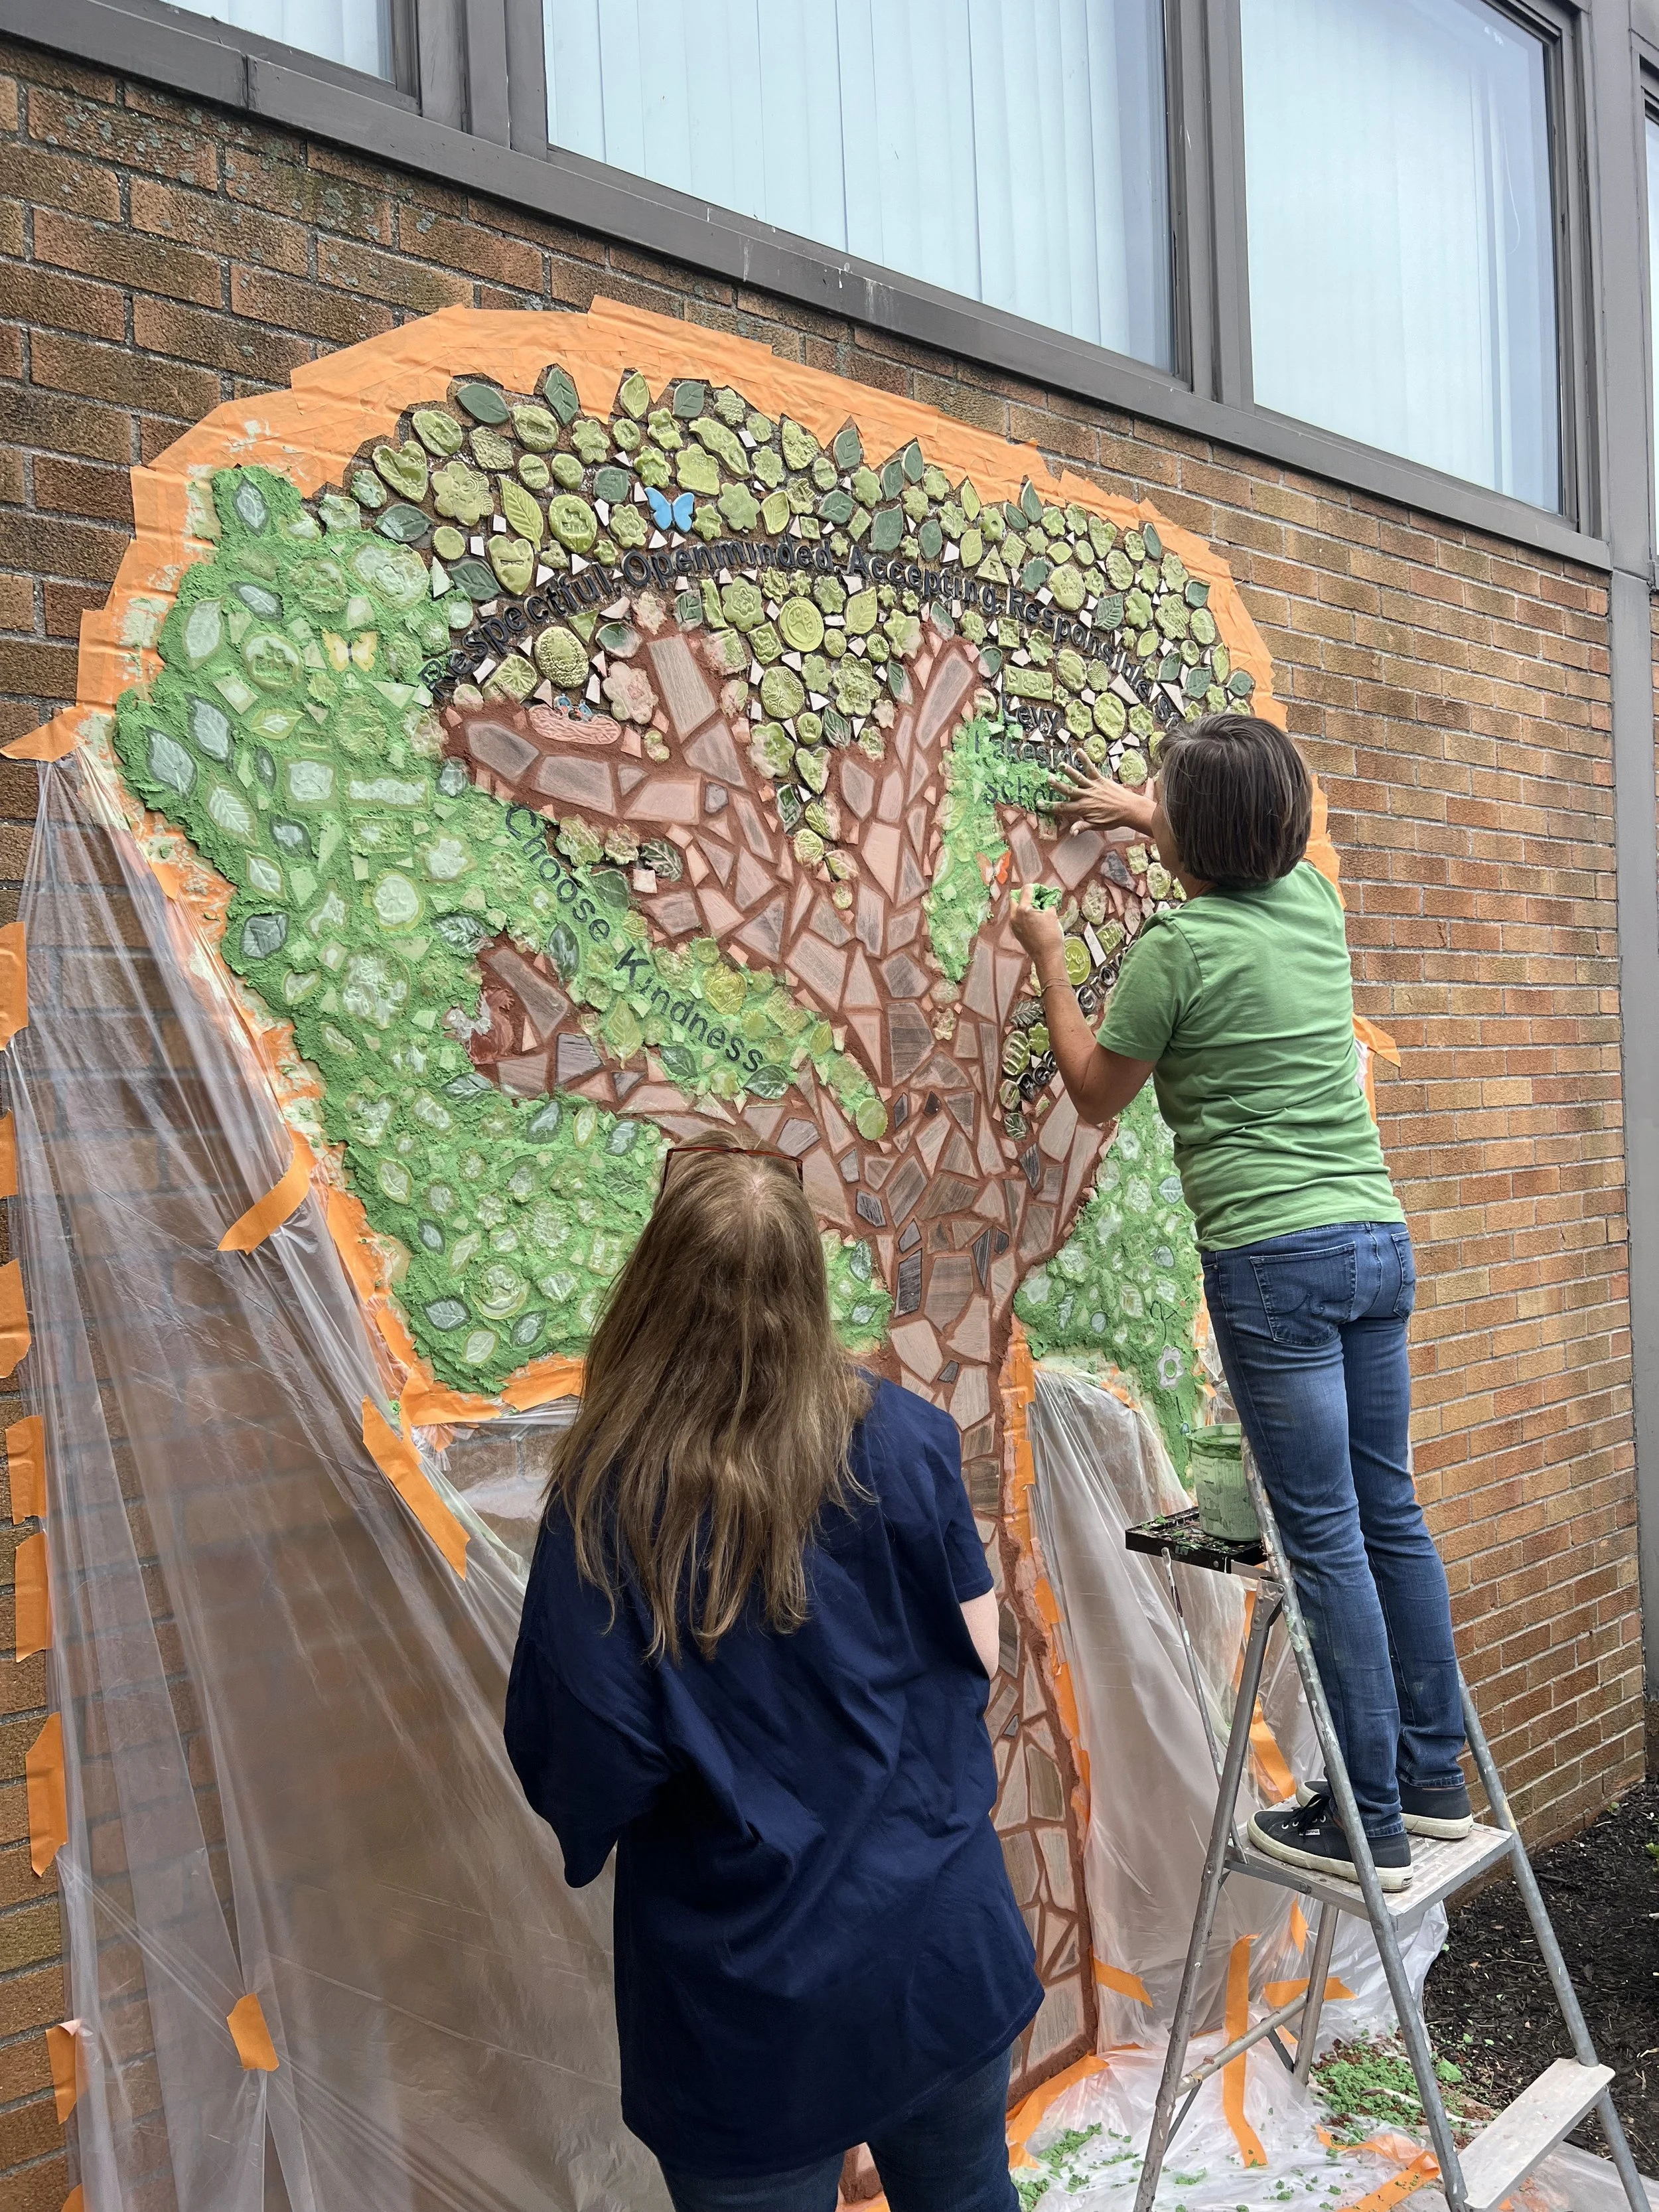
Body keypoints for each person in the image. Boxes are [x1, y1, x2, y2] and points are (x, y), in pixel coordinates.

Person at [504, 1136, 1041, 2212]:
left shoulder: (608, 1501)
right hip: (937, 1944)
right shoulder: (910, 1440)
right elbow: (980, 1653)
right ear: (809, 1283)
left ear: (650, 1288)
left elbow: (589, 1763)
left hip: (748, 1992)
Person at [1009, 713, 1469, 1893]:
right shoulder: (1314, 907)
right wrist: (1148, 807)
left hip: (1276, 1262)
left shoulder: (1175, 949)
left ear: (1191, 842)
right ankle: (1431, 1782)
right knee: (1389, 1513)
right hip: (1376, 1240)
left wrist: (1049, 956)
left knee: (1321, 1542)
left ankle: (1365, 1814)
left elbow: (1096, 1094)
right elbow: (1242, 832)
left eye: (1164, 800)